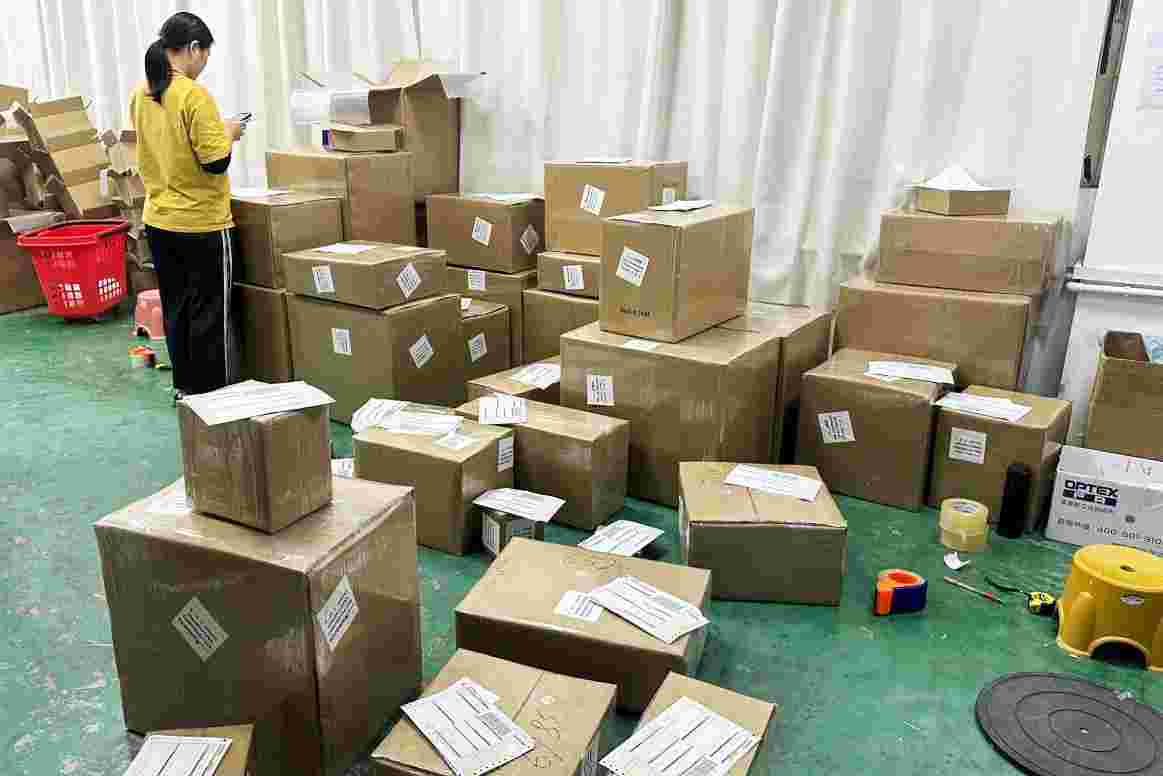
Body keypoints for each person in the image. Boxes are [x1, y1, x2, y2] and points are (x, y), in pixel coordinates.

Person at [130, 11, 245, 399]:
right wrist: (229, 131)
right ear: (194, 48)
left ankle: (187, 391)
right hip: (202, 224)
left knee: (177, 309)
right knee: (211, 314)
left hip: (160, 221)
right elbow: (215, 161)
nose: (205, 63)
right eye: (206, 54)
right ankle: (214, 398)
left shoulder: (142, 92)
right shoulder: (194, 95)